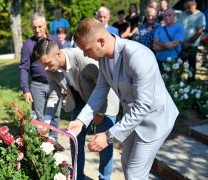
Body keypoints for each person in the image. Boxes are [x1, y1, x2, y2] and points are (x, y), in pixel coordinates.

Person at [67, 18, 179, 180]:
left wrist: (108, 136)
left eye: (87, 49)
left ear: (101, 41)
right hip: (132, 120)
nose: (84, 54)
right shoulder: (104, 58)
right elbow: (99, 91)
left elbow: (143, 106)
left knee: (134, 172)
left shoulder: (137, 56)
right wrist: (81, 120)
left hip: (155, 120)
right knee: (126, 162)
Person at [33, 38, 119, 180]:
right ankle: (78, 176)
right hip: (80, 100)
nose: (46, 69)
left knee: (104, 143)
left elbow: (104, 86)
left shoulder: (84, 60)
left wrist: (99, 113)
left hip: (105, 100)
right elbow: (54, 95)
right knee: (75, 139)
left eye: (48, 63)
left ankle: (104, 178)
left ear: (59, 55)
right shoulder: (51, 69)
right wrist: (47, 122)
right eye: (43, 65)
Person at [19, 13, 64, 150]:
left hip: (55, 83)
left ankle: (53, 141)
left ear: (45, 26)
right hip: (38, 85)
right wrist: (26, 89)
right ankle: (41, 143)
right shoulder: (28, 45)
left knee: (55, 114)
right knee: (39, 116)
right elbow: (24, 68)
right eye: (34, 27)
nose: (37, 30)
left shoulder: (55, 40)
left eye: (39, 26)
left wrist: (64, 83)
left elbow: (62, 61)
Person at [177, 0, 206, 83]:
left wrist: (188, 43)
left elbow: (199, 31)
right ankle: (178, 82)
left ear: (195, 6)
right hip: (181, 44)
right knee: (179, 64)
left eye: (189, 8)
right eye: (186, 8)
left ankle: (191, 83)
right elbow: (178, 27)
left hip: (192, 45)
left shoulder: (200, 15)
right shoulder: (182, 14)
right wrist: (181, 42)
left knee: (191, 65)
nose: (188, 10)